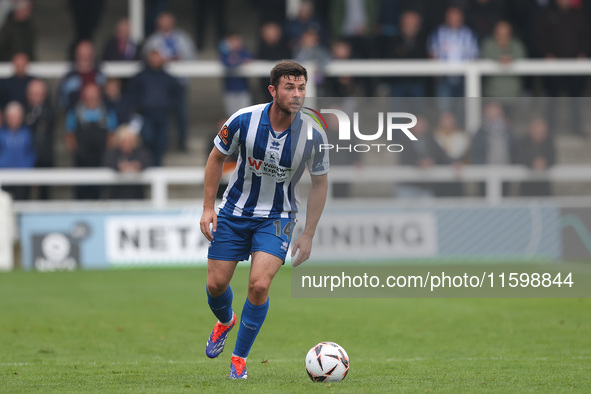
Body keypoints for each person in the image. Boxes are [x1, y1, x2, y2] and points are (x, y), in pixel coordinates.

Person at [199, 60, 329, 380]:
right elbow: (217, 157)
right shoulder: (244, 120)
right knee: (216, 285)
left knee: (259, 284)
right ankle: (226, 320)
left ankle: (239, 359)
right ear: (273, 91)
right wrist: (207, 207)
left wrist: (309, 233)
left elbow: (321, 182)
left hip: (278, 216)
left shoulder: (313, 135)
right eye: (289, 87)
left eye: (301, 88)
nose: (297, 94)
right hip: (235, 211)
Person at [143, 12, 196, 151]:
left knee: (181, 115)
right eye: (163, 22)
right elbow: (149, 58)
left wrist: (177, 59)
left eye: (168, 21)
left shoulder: (183, 38)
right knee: (163, 117)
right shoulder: (152, 40)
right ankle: (161, 145)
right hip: (161, 85)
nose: (166, 25)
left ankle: (182, 143)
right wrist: (165, 60)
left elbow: (191, 56)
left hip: (179, 83)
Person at [127, 49, 182, 166]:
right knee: (148, 139)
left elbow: (177, 95)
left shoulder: (169, 78)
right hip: (146, 115)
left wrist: (169, 106)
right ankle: (148, 164)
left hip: (163, 116)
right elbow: (133, 94)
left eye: (158, 57)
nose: (155, 60)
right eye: (153, 57)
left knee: (162, 143)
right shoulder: (140, 77)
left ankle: (157, 167)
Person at [65, 83, 117, 200]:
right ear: (83, 97)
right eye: (88, 96)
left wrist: (108, 152)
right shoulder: (74, 113)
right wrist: (76, 151)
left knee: (99, 191)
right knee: (80, 190)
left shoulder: (108, 113)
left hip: (101, 158)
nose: (91, 99)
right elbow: (69, 134)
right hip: (81, 159)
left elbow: (112, 135)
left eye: (94, 96)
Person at [24, 79, 55, 200]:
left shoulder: (50, 109)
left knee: (44, 192)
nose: (36, 97)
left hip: (44, 155)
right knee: (24, 189)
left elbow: (49, 122)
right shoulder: (23, 108)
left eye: (39, 94)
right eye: (33, 94)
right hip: (26, 155)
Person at [103, 125, 152, 200]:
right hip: (116, 197)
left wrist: (137, 166)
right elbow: (107, 163)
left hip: (137, 197)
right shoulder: (112, 153)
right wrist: (119, 167)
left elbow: (148, 162)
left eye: (130, 141)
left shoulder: (141, 153)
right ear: (119, 141)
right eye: (124, 141)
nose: (127, 144)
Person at [481, 21, 526, 99]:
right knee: (493, 110)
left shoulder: (517, 45)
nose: (503, 38)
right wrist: (499, 58)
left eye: (506, 35)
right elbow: (486, 54)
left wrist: (510, 59)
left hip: (514, 94)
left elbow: (521, 54)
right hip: (493, 94)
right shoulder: (488, 45)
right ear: (495, 33)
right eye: (500, 35)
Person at [0, 101, 36, 200]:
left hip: (22, 177)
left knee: (22, 202)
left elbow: (31, 153)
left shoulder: (27, 134)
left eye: (17, 117)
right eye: (12, 117)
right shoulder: (1, 134)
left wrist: (28, 168)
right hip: (4, 177)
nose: (14, 120)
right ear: (7, 118)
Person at [59, 40, 106, 111]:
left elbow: (106, 100)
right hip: (75, 118)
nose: (85, 58)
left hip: (100, 117)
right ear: (77, 55)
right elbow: (62, 102)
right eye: (82, 55)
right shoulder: (69, 79)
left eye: (88, 55)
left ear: (93, 55)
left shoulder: (101, 77)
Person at [518, 117, 555, 197]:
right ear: (530, 130)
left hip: (544, 187)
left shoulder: (549, 142)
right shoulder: (523, 142)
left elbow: (553, 159)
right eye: (536, 131)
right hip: (527, 187)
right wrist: (532, 163)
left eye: (541, 132)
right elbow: (519, 158)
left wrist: (545, 163)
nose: (538, 134)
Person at [219, 31, 253, 117]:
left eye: (236, 40)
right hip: (229, 90)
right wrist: (240, 61)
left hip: (243, 89)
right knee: (232, 116)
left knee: (245, 115)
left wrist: (237, 60)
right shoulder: (224, 53)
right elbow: (227, 63)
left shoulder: (244, 51)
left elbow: (250, 58)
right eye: (231, 41)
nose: (234, 43)